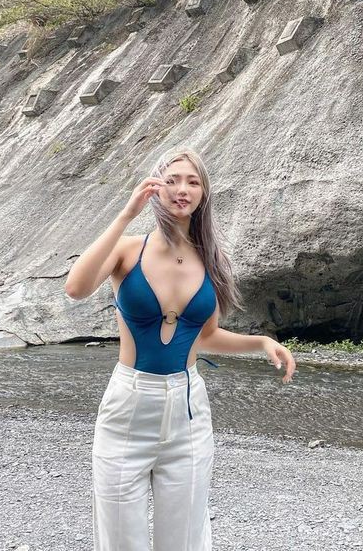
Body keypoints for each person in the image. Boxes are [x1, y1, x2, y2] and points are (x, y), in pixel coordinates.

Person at [64, 146, 296, 550]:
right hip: (129, 405)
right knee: (120, 538)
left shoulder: (211, 261)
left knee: (185, 539)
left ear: (203, 192)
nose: (182, 189)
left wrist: (261, 342)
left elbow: (205, 336)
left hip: (188, 409)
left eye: (192, 181)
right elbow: (76, 287)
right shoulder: (127, 250)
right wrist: (126, 215)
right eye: (171, 180)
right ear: (155, 188)